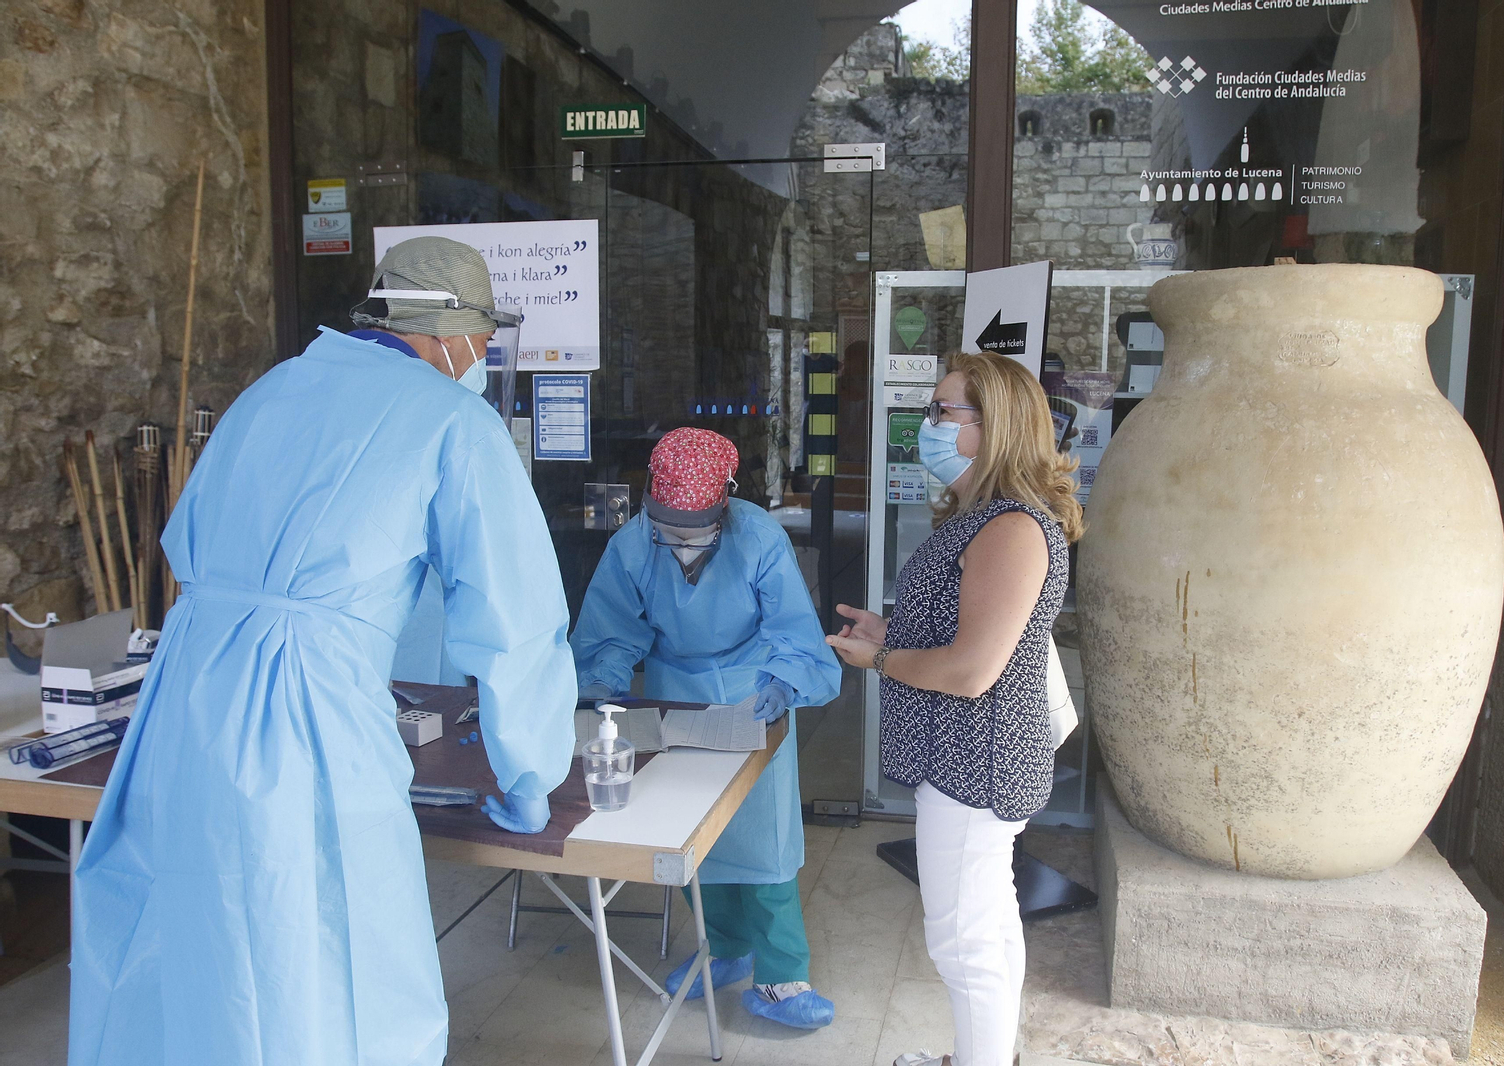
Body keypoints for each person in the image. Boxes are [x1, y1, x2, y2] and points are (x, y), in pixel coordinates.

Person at [69, 237, 577, 1066]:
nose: (483, 356)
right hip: (305, 713)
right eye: (483, 338)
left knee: (188, 944)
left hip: (183, 702)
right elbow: (515, 619)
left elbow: (190, 541)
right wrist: (529, 778)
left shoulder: (269, 391)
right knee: (323, 956)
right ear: (447, 330)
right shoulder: (454, 420)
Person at [826, 352, 1081, 1066]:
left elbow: (971, 671)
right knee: (988, 925)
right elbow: (964, 632)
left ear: (992, 427)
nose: (927, 424)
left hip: (978, 762)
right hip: (971, 755)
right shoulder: (987, 519)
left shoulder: (1012, 529)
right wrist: (893, 633)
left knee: (963, 943)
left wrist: (877, 661)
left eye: (943, 411)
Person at [572, 427, 841, 1030]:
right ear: (649, 508)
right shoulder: (633, 545)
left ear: (725, 504)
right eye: (669, 533)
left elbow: (793, 629)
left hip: (754, 692)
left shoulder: (760, 537)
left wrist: (783, 681)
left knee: (764, 839)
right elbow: (609, 630)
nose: (682, 547)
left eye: (697, 533)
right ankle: (723, 949)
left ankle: (780, 976)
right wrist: (602, 685)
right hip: (676, 695)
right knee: (696, 833)